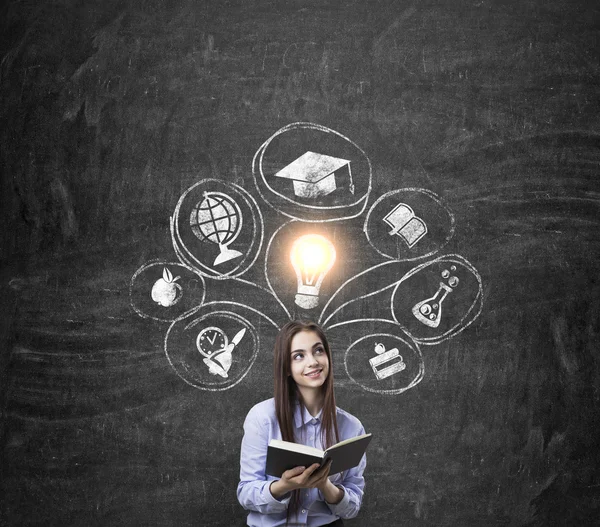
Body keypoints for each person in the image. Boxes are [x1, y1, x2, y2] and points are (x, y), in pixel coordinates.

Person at [237, 320, 367, 526]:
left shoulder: (351, 427)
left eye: (318, 351)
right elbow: (246, 493)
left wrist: (325, 485)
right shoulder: (262, 418)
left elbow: (352, 507)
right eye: (299, 356)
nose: (313, 361)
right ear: (287, 368)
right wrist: (283, 486)